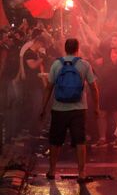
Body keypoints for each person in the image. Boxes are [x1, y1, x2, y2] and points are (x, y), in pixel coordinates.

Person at [40, 38, 99, 183]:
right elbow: (93, 88)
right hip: (78, 109)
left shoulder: (56, 64)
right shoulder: (84, 64)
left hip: (58, 108)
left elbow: (49, 87)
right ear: (78, 49)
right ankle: (82, 173)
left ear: (64, 49)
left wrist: (43, 107)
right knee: (80, 141)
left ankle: (52, 170)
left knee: (55, 141)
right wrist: (96, 107)